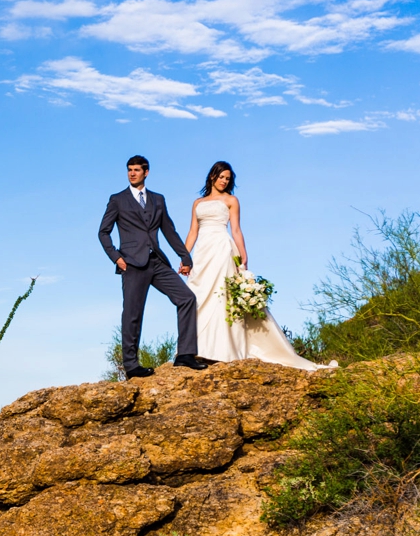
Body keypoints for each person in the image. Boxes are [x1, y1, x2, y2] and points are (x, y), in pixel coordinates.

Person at [182, 161, 333, 370]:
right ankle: (196, 348)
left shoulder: (231, 200)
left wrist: (243, 256)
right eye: (221, 177)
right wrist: (184, 257)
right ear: (212, 176)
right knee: (197, 295)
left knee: (221, 296)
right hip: (202, 252)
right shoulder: (197, 203)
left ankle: (222, 350)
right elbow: (192, 232)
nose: (224, 181)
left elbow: (235, 230)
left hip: (221, 249)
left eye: (228, 178)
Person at [99, 155, 205, 379]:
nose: (132, 173)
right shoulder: (117, 199)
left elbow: (169, 230)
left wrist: (185, 257)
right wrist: (116, 257)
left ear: (146, 172)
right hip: (132, 264)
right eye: (129, 170)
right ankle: (131, 366)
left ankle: (185, 354)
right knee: (132, 314)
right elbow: (103, 232)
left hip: (156, 261)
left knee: (186, 298)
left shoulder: (158, 199)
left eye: (137, 170)